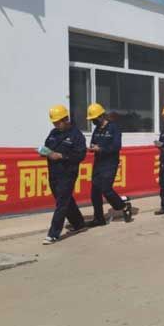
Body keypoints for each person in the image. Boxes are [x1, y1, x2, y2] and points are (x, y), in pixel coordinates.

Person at [41, 105, 87, 244]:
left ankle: (53, 234)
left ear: (66, 119)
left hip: (67, 173)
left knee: (61, 203)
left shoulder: (76, 135)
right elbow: (47, 146)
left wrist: (61, 156)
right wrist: (45, 152)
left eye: (58, 122)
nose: (56, 125)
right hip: (53, 172)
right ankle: (79, 224)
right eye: (54, 123)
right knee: (65, 200)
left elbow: (80, 155)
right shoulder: (53, 133)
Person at [86, 103, 132, 226]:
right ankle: (98, 219)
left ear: (101, 116)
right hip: (98, 163)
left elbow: (116, 146)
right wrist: (92, 147)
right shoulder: (97, 129)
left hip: (110, 163)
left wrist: (101, 149)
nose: (93, 122)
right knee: (95, 192)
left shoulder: (113, 128)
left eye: (94, 119)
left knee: (106, 189)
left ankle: (123, 206)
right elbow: (93, 142)